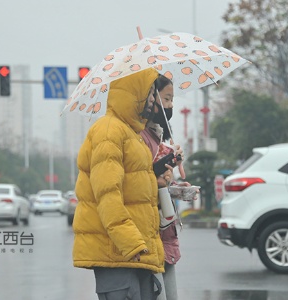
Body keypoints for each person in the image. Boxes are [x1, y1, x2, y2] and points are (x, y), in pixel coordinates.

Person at [72, 68, 168, 300]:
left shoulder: (132, 134)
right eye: (151, 93)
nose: (154, 100)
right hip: (117, 251)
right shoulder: (109, 131)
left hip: (135, 252)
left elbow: (135, 191)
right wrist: (130, 241)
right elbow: (107, 194)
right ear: (134, 94)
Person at [140, 74, 191, 300]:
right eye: (165, 99)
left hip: (165, 232)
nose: (169, 105)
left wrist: (175, 185)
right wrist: (162, 166)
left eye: (172, 100)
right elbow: (141, 182)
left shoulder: (157, 136)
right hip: (152, 233)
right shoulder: (139, 137)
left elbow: (161, 183)